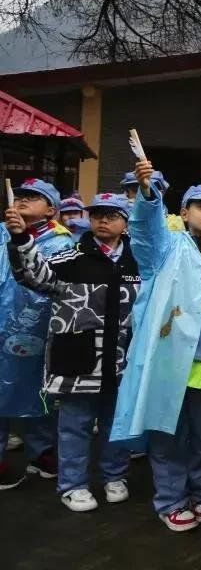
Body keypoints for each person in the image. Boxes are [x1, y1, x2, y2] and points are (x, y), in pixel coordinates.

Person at [110, 168, 201, 534]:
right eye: (200, 206)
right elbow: (143, 232)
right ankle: (170, 499)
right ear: (184, 213)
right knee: (167, 432)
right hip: (168, 359)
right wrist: (148, 196)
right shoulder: (165, 248)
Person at [6, 192, 140, 512]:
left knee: (115, 423)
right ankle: (73, 484)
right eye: (97, 214)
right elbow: (33, 275)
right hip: (78, 357)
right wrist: (21, 238)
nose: (103, 220)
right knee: (74, 425)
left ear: (126, 221)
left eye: (112, 214)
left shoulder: (140, 260)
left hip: (124, 357)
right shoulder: (70, 256)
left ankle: (115, 475)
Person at [0, 178, 74, 490]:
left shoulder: (61, 243)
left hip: (38, 328)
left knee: (41, 390)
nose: (23, 201)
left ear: (51, 210)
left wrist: (21, 237)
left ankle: (41, 451)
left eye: (34, 197)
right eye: (21, 196)